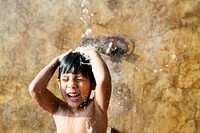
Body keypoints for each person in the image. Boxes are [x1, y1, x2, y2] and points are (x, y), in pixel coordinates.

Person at [29, 47, 112, 133]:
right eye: (65, 79)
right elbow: (35, 89)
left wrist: (92, 53)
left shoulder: (97, 108)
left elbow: (103, 79)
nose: (71, 85)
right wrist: (57, 60)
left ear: (93, 85)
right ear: (59, 83)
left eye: (79, 79)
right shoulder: (57, 109)